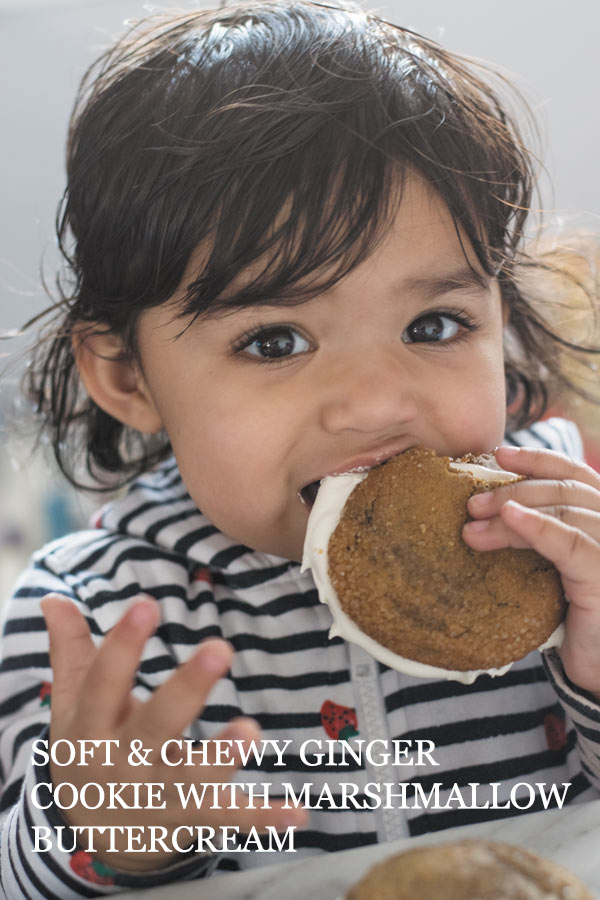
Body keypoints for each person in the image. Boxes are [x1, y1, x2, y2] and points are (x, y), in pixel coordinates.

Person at [2, 1, 600, 896]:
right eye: (275, 341)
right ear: (127, 376)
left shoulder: (570, 537)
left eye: (435, 324)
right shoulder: (95, 619)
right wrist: (108, 828)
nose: (373, 403)